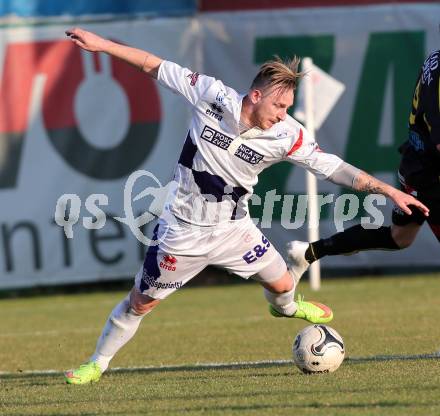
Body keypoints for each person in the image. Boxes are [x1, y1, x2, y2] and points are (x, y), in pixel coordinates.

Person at [63, 27, 429, 385]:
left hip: (234, 229)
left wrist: (388, 191)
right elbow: (151, 64)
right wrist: (102, 45)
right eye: (279, 105)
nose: (284, 114)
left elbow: (333, 168)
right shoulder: (210, 94)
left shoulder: (287, 134)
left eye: (288, 106)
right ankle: (97, 364)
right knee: (139, 304)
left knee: (284, 286)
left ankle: (286, 307)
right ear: (255, 95)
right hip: (182, 231)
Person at [287, 50, 439, 281]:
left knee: (400, 237)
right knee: (399, 236)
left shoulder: (434, 57)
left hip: (417, 163)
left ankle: (310, 251)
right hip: (430, 175)